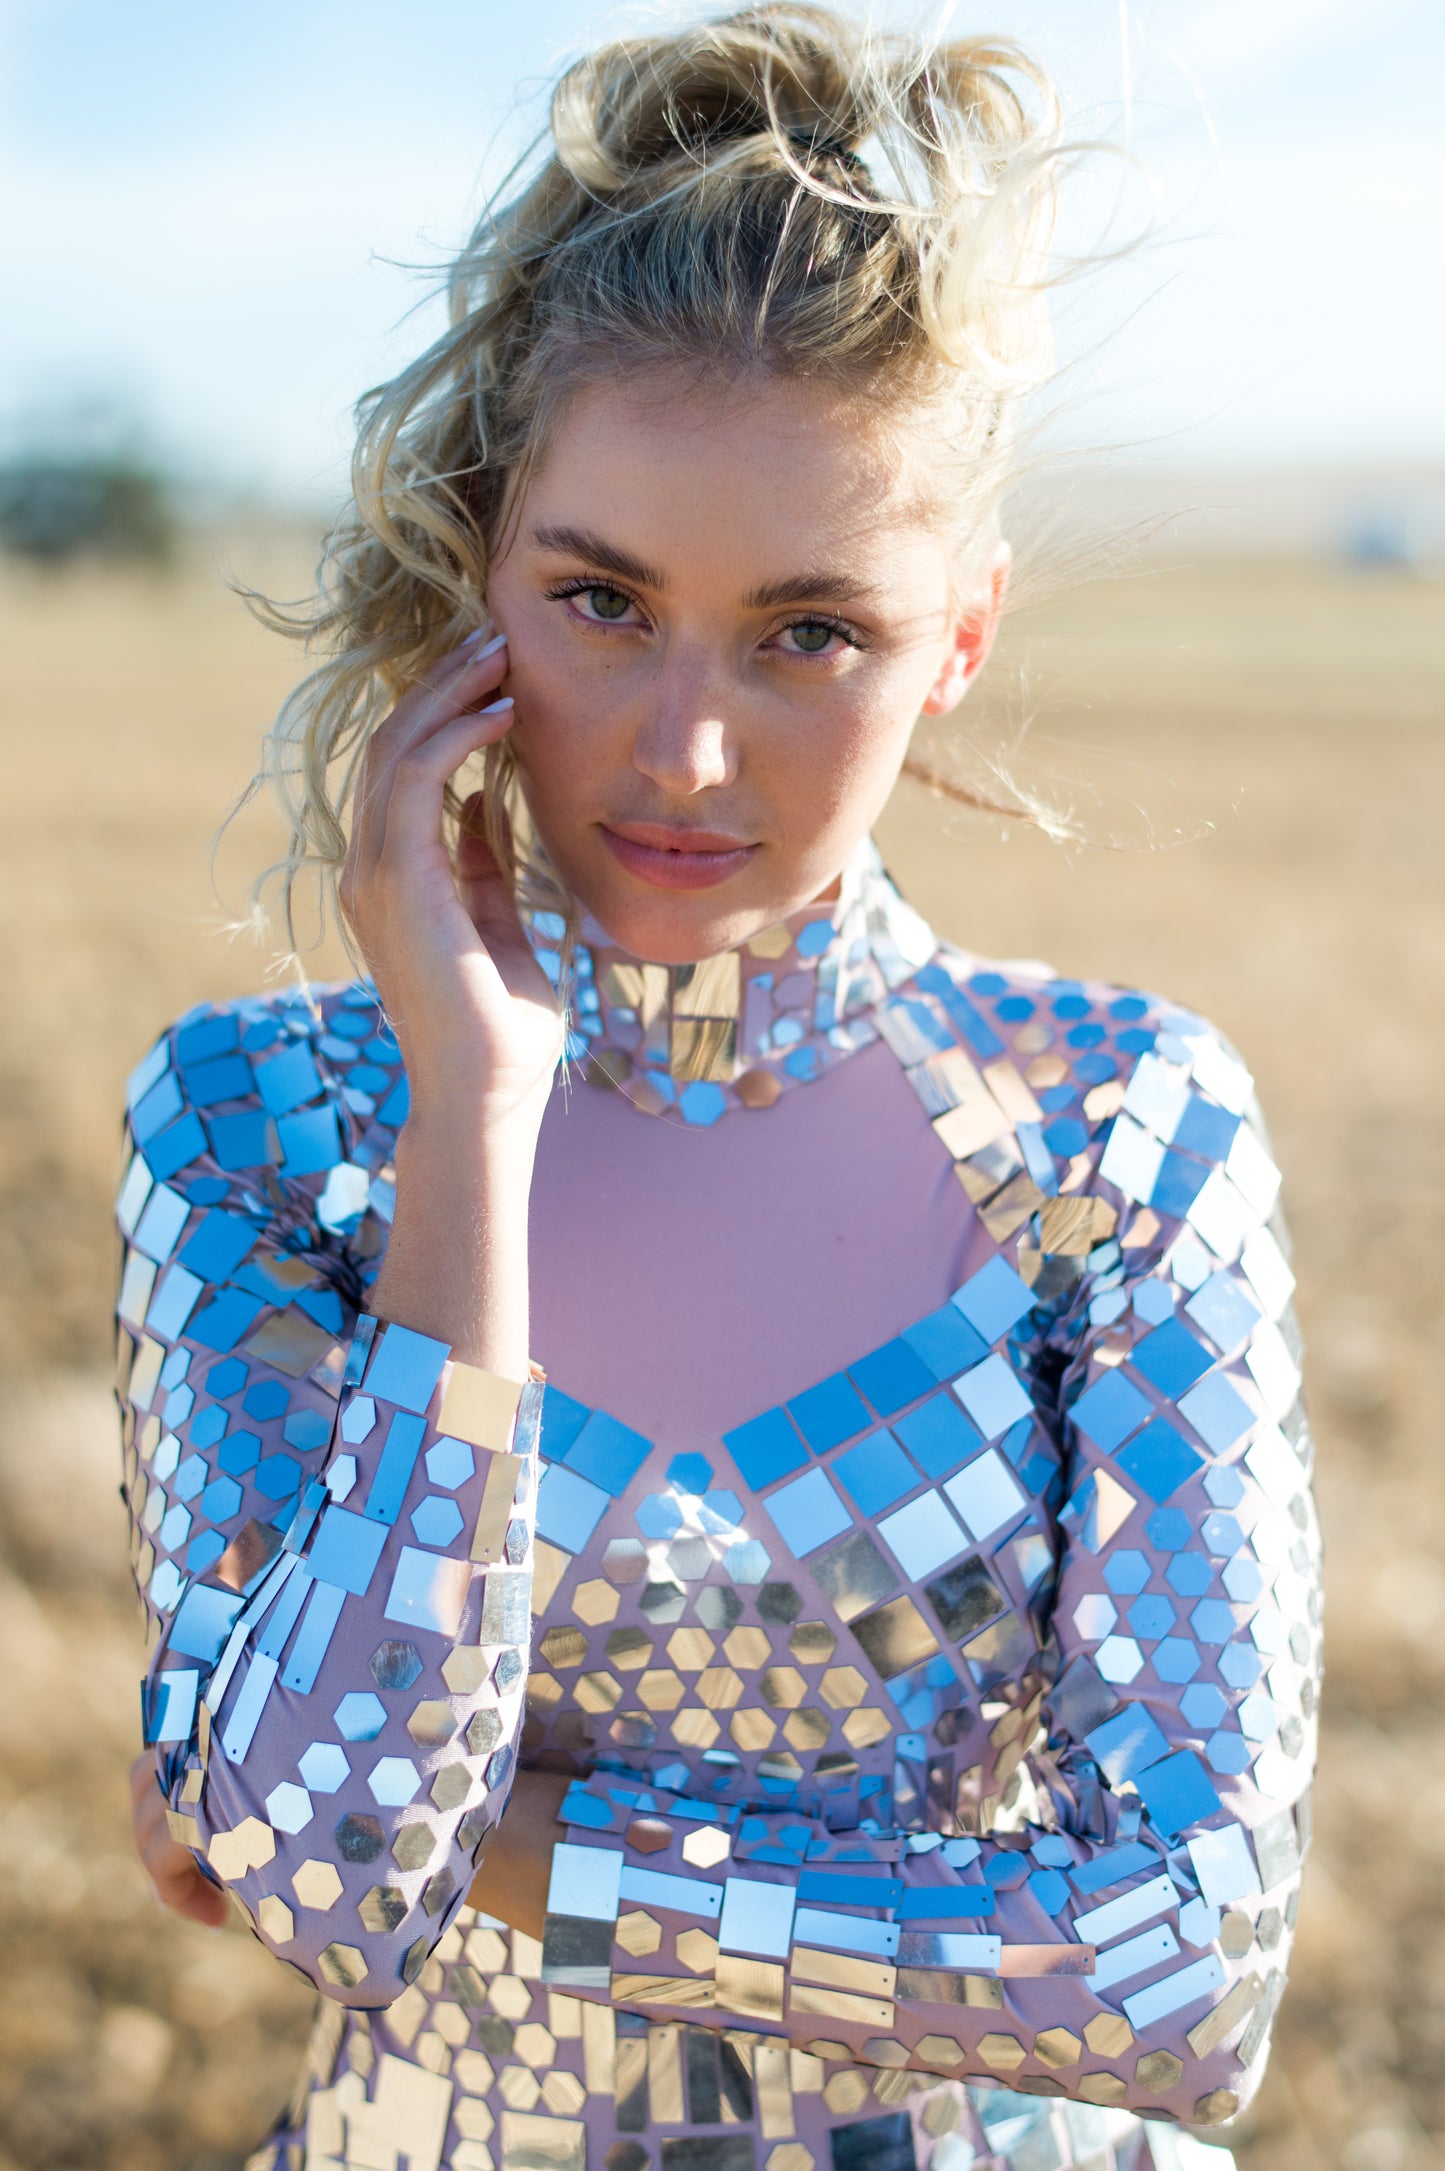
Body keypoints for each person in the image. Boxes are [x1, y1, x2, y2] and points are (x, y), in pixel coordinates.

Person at [118, 8, 1320, 2170]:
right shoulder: (256, 1129)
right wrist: (473, 1133)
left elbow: (1182, 1976)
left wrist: (512, 1850)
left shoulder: (1118, 1132)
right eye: (601, 603)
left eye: (808, 633)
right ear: (484, 579)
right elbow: (315, 1876)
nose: (685, 753)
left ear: (958, 634)